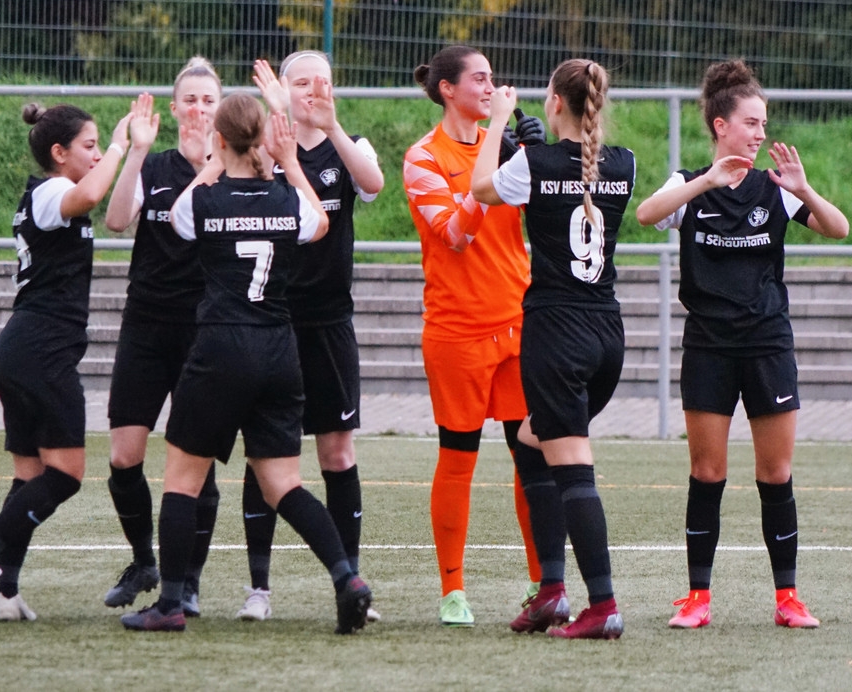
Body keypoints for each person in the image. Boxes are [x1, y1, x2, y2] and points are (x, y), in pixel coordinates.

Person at [120, 92, 373, 634]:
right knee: (284, 484)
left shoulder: (205, 200)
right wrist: (289, 163)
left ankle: (170, 604)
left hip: (219, 348)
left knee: (182, 480)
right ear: (263, 139)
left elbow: (179, 218)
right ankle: (347, 578)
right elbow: (319, 224)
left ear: (219, 139)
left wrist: (213, 161)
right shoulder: (286, 198)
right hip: (279, 350)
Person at [635, 58, 849, 629]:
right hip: (708, 346)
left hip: (767, 345)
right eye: (751, 123)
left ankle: (788, 599)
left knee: (775, 475)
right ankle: (697, 598)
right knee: (707, 473)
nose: (760, 134)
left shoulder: (775, 190)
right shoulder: (689, 185)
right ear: (720, 125)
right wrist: (705, 181)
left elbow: (839, 228)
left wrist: (805, 190)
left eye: (763, 124)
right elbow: (646, 214)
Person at [471, 59, 635, 639]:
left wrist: (497, 122)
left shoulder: (534, 164)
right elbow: (573, 181)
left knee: (574, 470)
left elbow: (479, 188)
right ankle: (550, 591)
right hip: (607, 334)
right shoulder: (624, 163)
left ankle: (602, 605)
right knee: (530, 440)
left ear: (557, 103)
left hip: (557, 334)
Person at [0, 100, 132, 620]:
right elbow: (91, 193)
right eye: (88, 146)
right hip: (41, 349)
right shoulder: (52, 192)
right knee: (67, 474)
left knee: (30, 478)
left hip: (25, 347)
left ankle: (6, 591)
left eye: (98, 146)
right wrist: (120, 145)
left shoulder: (49, 195)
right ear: (59, 152)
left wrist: (126, 153)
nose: (95, 155)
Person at [403, 44, 556, 626]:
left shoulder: (507, 148)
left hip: (518, 323)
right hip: (457, 331)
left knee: (530, 458)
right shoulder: (423, 157)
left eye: (494, 79)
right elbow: (457, 234)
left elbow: (549, 221)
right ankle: (453, 590)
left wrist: (540, 159)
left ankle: (545, 584)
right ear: (448, 89)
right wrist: (499, 152)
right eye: (481, 78)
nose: (493, 88)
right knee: (458, 458)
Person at [232, 52, 385, 623]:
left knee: (337, 452)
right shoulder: (262, 149)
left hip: (330, 324)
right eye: (301, 82)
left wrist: (332, 126)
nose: (313, 90)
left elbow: (373, 184)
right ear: (282, 90)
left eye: (323, 80)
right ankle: (259, 589)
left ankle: (351, 580)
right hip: (271, 322)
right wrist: (278, 141)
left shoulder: (349, 146)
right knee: (266, 455)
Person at [101, 57, 222, 616]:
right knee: (124, 456)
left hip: (205, 329)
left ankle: (188, 580)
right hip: (147, 324)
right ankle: (143, 561)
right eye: (190, 100)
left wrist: (210, 165)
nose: (199, 109)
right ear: (173, 109)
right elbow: (116, 221)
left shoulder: (234, 168)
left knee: (195, 462)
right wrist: (136, 152)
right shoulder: (153, 164)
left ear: (221, 108)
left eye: (208, 100)